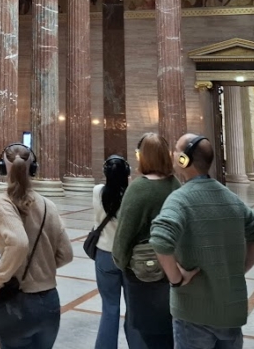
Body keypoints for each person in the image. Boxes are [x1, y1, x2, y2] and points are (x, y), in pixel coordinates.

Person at [150, 134, 254, 348]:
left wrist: (176, 279)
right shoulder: (229, 197)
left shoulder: (180, 198)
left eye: (176, 150)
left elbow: (160, 239)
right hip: (230, 311)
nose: (172, 154)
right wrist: (240, 268)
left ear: (184, 160)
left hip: (193, 312)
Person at [0, 144, 73, 349]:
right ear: (34, 168)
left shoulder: (3, 202)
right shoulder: (48, 205)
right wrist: (41, 268)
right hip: (50, 300)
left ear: (2, 167)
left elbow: (18, 243)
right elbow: (67, 254)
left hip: (20, 301)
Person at [112, 133, 180, 349]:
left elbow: (124, 235)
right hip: (174, 270)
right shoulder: (175, 185)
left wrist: (122, 262)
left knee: (147, 334)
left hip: (143, 275)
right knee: (168, 332)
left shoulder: (138, 189)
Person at [90, 155, 134, 349]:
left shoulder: (97, 191)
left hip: (104, 255)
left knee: (109, 307)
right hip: (128, 256)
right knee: (133, 308)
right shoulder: (132, 195)